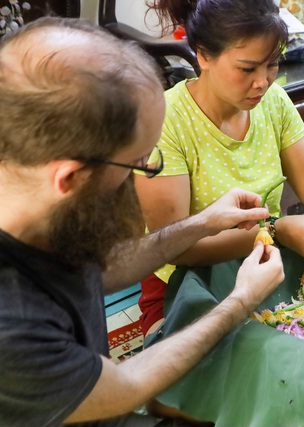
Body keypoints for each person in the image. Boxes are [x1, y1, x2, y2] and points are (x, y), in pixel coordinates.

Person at [0, 17, 285, 426]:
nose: (146, 171)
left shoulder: (32, 199)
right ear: (70, 177)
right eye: (137, 163)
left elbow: (100, 267)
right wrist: (239, 301)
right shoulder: (12, 326)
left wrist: (201, 223)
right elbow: (126, 386)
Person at [135, 0, 304, 338]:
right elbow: (175, 245)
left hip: (263, 267)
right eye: (247, 69)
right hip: (184, 284)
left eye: (272, 65)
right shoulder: (166, 122)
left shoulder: (273, 102)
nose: (263, 82)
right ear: (204, 56)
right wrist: (276, 232)